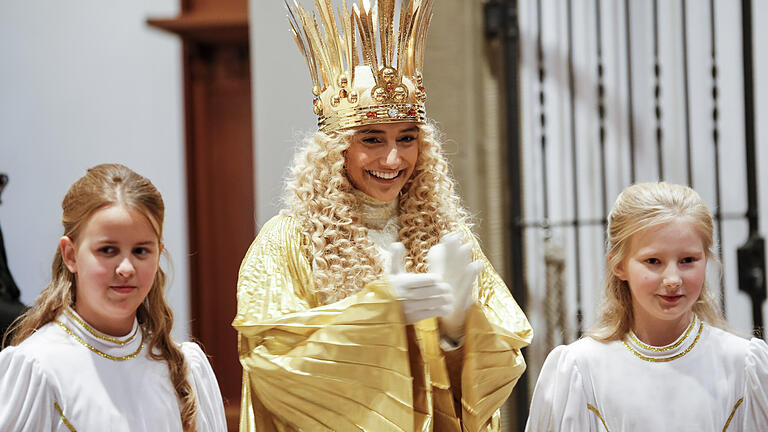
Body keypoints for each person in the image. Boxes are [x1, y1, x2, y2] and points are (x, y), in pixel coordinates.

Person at [233, 0, 532, 430]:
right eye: (372, 139)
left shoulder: (447, 235)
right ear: (336, 149)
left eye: (407, 138)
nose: (392, 158)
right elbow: (274, 365)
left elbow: (502, 361)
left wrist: (458, 333)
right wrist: (380, 314)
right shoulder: (288, 241)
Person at [0, 164, 227, 431]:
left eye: (141, 251)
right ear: (71, 255)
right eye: (108, 250)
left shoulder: (186, 368)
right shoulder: (38, 368)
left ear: (159, 254)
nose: (127, 268)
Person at [525, 182, 768, 431]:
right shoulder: (580, 369)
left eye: (688, 260)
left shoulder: (744, 366)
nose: (673, 279)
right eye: (653, 261)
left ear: (706, 259)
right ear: (619, 265)